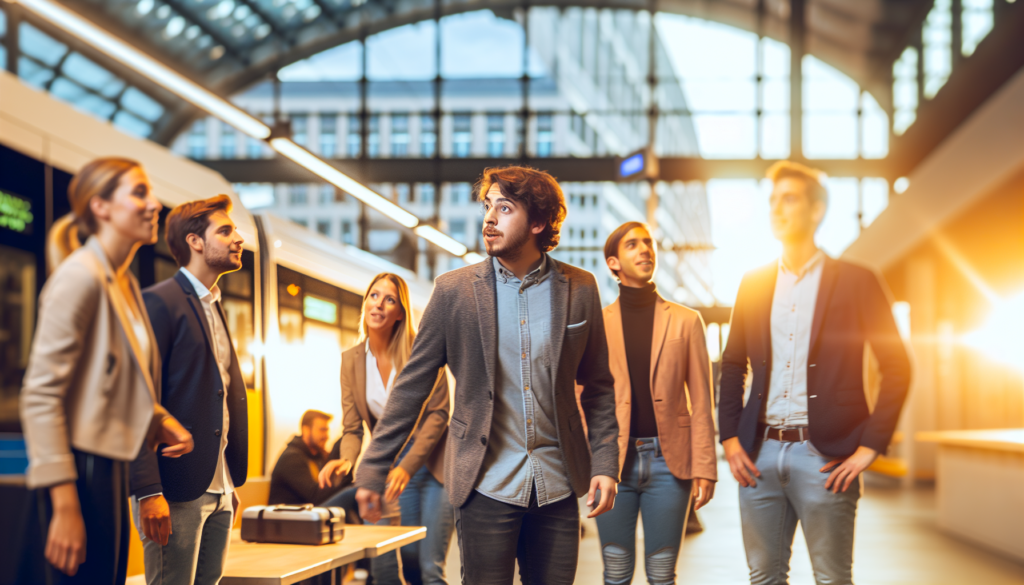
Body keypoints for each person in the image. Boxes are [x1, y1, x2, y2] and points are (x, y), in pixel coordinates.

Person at [354, 166, 620, 585]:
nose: (489, 219)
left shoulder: (580, 288)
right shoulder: (453, 291)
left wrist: (605, 461)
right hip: (485, 484)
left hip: (557, 483)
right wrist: (373, 467)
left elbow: (600, 389)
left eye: (505, 208)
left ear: (537, 223)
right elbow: (411, 386)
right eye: (488, 206)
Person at [719, 161, 912, 585]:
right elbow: (733, 363)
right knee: (764, 577)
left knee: (832, 578)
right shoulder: (753, 282)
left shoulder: (859, 281)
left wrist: (870, 447)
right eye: (772, 201)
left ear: (817, 209)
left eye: (788, 199)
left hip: (827, 457)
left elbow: (898, 366)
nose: (777, 209)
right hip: (760, 454)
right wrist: (730, 437)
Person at [20, 157, 193, 584]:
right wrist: (64, 504)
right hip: (79, 473)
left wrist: (157, 419)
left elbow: (110, 379)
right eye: (139, 193)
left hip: (110, 470)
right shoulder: (80, 276)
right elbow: (41, 396)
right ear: (100, 207)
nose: (154, 204)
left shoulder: (123, 282)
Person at [128, 195, 249, 585]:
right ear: (196, 242)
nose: (238, 238)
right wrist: (147, 490)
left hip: (218, 489)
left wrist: (227, 481)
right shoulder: (160, 302)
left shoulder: (213, 305)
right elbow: (139, 398)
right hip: (175, 488)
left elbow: (220, 398)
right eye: (226, 230)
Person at [591, 221, 717, 585]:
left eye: (648, 243)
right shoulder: (598, 324)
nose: (645, 249)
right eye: (632, 245)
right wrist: (589, 458)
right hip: (612, 463)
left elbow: (702, 401)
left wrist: (705, 465)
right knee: (615, 570)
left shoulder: (686, 321)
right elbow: (585, 398)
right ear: (613, 262)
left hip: (670, 464)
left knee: (662, 573)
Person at [318, 272, 452, 585]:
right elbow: (352, 428)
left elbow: (438, 414)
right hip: (391, 468)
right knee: (404, 557)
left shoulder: (422, 350)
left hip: (434, 466)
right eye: (373, 296)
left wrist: (407, 466)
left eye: (389, 299)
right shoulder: (351, 360)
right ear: (364, 303)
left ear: (400, 312)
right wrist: (348, 459)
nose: (378, 304)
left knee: (429, 566)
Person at [268, 410, 350, 506]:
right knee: (351, 494)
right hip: (286, 518)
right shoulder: (291, 458)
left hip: (307, 514)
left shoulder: (317, 456)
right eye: (322, 430)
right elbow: (314, 497)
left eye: (327, 430)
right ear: (306, 430)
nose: (327, 436)